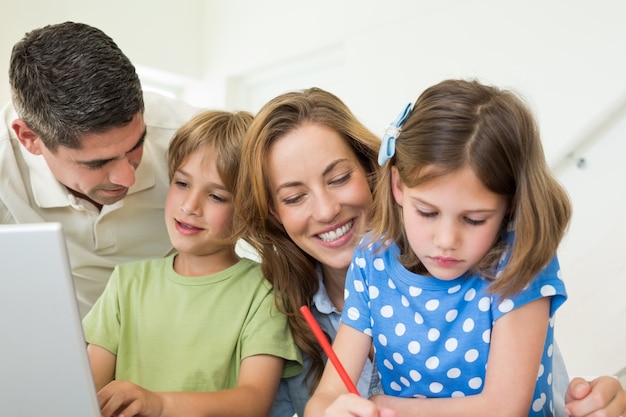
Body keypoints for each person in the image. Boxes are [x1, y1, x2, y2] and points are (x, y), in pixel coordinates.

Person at [304, 79, 572, 417]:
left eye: (474, 219)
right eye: (427, 212)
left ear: (510, 205)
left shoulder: (520, 260)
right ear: (398, 186)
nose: (446, 240)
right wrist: (331, 412)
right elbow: (325, 397)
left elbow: (503, 407)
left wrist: (382, 406)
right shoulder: (372, 258)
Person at [82, 109, 302, 417]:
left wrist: (159, 404)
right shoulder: (126, 282)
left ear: (248, 210)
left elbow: (253, 401)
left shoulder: (265, 293)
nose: (189, 206)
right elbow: (85, 390)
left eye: (216, 196)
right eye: (182, 183)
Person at [1, 21, 200, 317]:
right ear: (30, 139)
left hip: (176, 324)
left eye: (136, 145)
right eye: (97, 163)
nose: (127, 177)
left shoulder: (193, 136)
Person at [233, 87, 383, 417]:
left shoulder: (446, 271)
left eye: (340, 178)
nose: (327, 211)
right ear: (274, 212)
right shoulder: (280, 316)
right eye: (294, 198)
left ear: (369, 167)